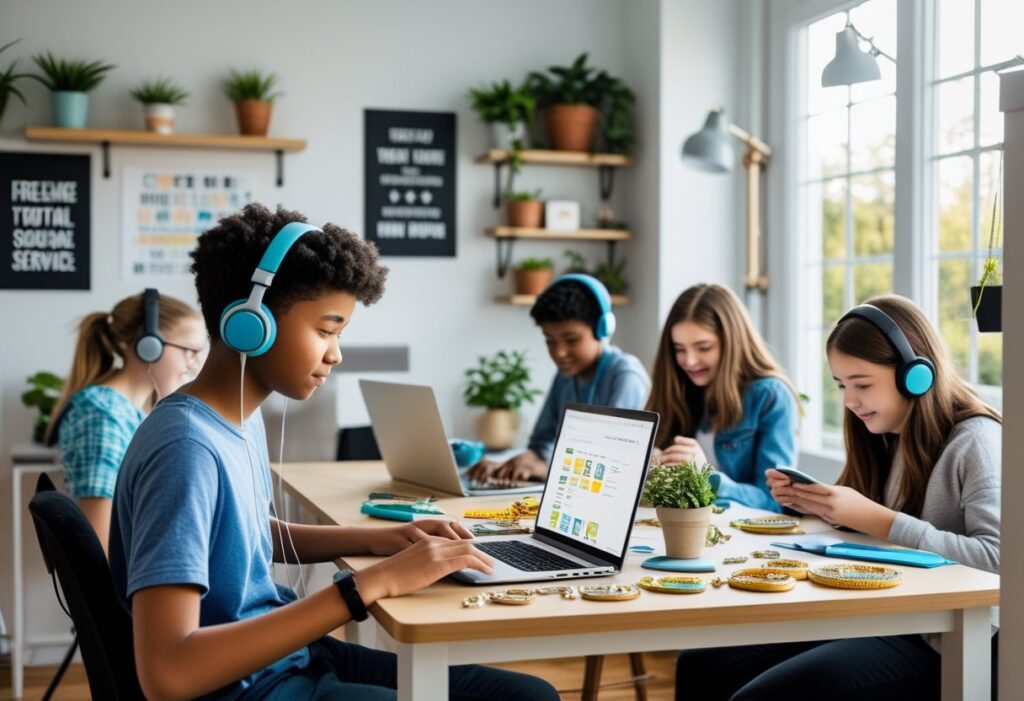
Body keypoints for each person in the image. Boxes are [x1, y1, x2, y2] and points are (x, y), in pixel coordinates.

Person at [108, 204, 558, 701]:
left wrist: (384, 541)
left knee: (529, 696)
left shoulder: (234, 418)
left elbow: (246, 534)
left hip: (287, 659)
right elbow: (168, 673)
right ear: (250, 323)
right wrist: (368, 586)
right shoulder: (186, 450)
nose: (335, 353)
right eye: (326, 330)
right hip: (252, 689)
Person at [676, 295, 1001, 700]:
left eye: (862, 384)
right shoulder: (887, 435)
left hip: (948, 637)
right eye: (842, 385)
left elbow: (999, 561)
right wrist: (827, 510)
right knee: (701, 664)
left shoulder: (977, 441)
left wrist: (878, 520)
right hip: (887, 612)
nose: (849, 401)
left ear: (915, 376)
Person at [46, 289, 205, 551]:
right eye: (189, 351)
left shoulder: (133, 412)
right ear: (148, 345)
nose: (195, 365)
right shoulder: (101, 415)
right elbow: (100, 543)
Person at [469, 274, 650, 483]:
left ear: (602, 329)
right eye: (550, 341)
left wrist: (544, 470)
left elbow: (612, 469)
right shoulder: (566, 376)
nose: (559, 353)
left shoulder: (626, 376)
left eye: (571, 340)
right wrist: (510, 466)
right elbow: (540, 445)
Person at [645, 283, 800, 511]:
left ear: (732, 343)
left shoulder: (770, 397)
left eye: (704, 347)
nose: (689, 361)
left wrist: (705, 476)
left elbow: (776, 501)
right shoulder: (680, 387)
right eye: (679, 349)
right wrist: (652, 464)